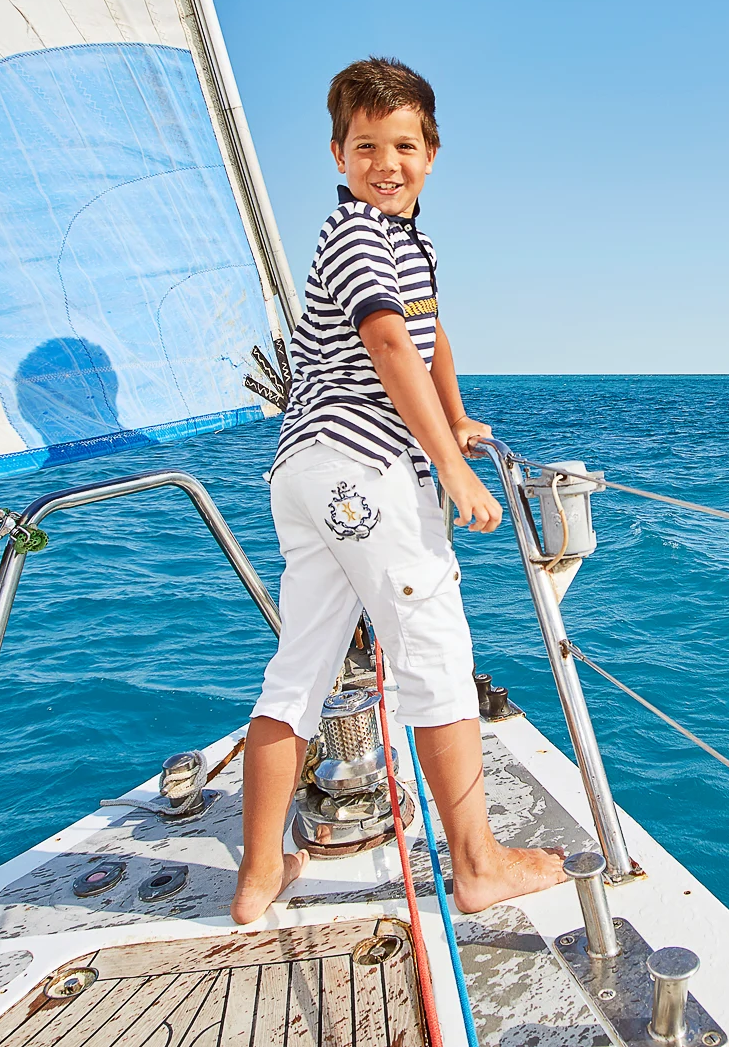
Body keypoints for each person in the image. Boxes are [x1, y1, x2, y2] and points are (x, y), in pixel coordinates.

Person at [231, 57, 569, 923]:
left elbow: (429, 333)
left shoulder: (403, 242)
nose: (388, 161)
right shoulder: (355, 235)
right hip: (365, 472)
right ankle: (479, 864)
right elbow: (388, 345)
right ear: (338, 154)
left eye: (405, 144)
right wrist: (450, 468)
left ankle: (261, 873)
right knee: (439, 661)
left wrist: (456, 415)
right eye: (367, 145)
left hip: (303, 472)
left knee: (296, 671)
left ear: (433, 151)